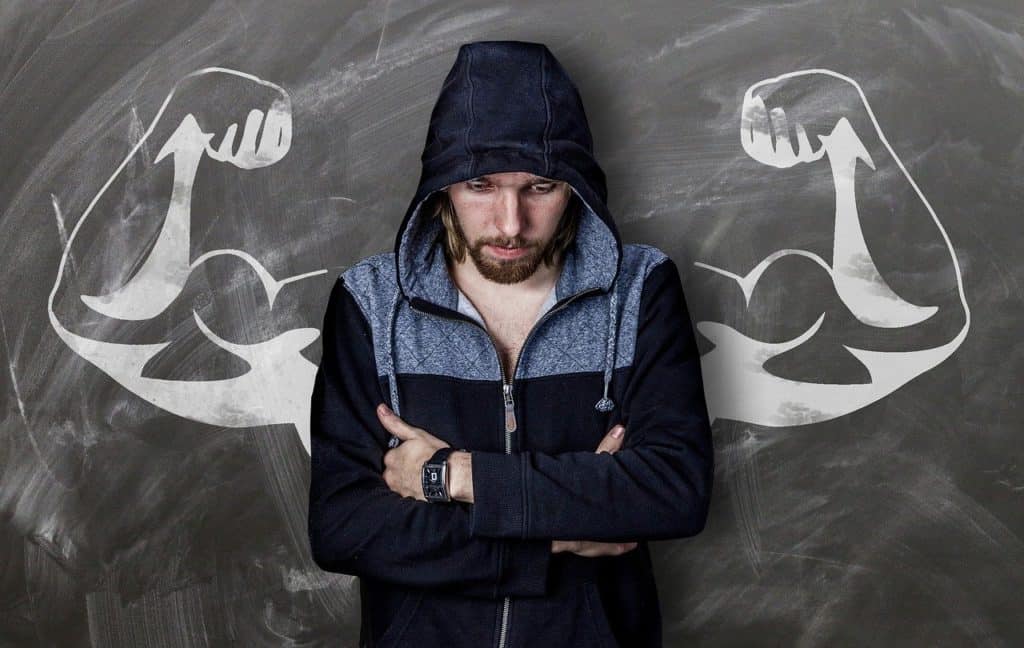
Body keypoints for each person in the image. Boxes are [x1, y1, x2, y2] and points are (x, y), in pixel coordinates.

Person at [308, 40, 714, 648]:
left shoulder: (641, 290)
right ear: (442, 186)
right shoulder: (370, 302)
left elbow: (672, 492)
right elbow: (344, 528)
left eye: (540, 188)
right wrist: (555, 538)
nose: (509, 223)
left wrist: (457, 478)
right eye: (480, 185)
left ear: (575, 187)